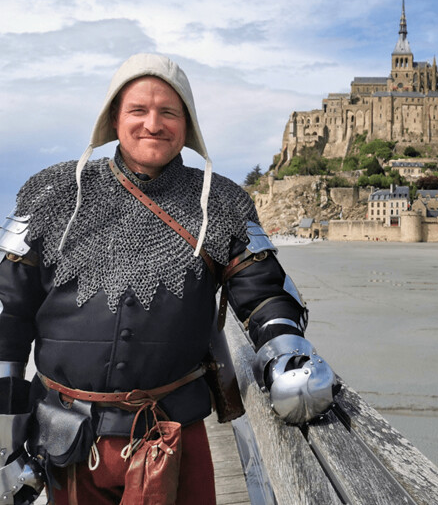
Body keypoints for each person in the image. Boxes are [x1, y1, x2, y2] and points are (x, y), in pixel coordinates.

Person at [0, 53, 337, 504]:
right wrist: (5, 443)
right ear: (114, 118)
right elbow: (9, 315)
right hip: (68, 445)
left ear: (187, 123)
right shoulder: (54, 192)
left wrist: (286, 355)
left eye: (168, 112)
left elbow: (263, 293)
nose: (152, 124)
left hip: (173, 438)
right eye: (138, 110)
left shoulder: (220, 203)